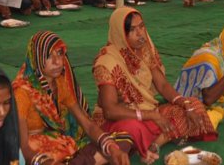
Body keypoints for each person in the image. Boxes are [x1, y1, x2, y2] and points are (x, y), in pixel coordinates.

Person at [92, 8, 217, 161]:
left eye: (142, 26)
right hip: (118, 120)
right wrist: (150, 115)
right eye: (133, 30)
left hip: (148, 111)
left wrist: (186, 105)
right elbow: (110, 111)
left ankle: (156, 143)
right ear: (120, 34)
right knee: (133, 129)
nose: (140, 33)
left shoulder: (144, 48)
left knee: (194, 105)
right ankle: (162, 137)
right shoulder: (107, 61)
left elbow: (162, 85)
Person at [13, 31, 131, 165]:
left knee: (122, 141)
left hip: (63, 143)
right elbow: (24, 149)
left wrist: (110, 147)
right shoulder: (22, 91)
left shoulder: (59, 83)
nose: (57, 62)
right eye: (48, 56)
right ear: (36, 59)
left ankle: (83, 161)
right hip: (37, 151)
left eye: (59, 53)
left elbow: (87, 125)